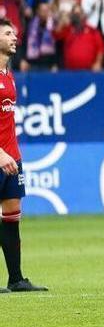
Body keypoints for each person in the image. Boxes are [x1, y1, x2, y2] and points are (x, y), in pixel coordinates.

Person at [0, 18, 46, 292]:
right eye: (7, 33)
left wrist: (12, 155)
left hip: (12, 158)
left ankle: (15, 278)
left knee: (12, 216)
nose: (14, 37)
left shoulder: (8, 74)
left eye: (14, 34)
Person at [55, 3, 104, 71]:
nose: (77, 17)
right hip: (70, 72)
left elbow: (101, 49)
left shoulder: (92, 31)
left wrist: (98, 62)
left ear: (83, 15)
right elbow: (56, 35)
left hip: (89, 71)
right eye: (75, 14)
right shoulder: (67, 30)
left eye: (79, 14)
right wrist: (62, 22)